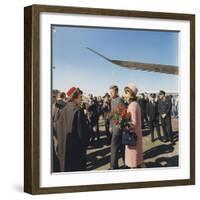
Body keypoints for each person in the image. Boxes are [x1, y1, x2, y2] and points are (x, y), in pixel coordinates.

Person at [56, 87, 89, 172]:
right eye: (80, 97)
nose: (81, 99)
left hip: (64, 148)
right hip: (76, 151)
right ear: (75, 97)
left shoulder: (62, 110)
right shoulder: (78, 111)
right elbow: (82, 134)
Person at [123, 84, 143, 168]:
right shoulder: (136, 104)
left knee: (133, 164)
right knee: (139, 162)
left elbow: (133, 124)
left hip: (132, 137)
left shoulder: (132, 105)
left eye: (126, 93)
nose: (125, 95)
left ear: (131, 94)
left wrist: (123, 124)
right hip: (136, 135)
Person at [109, 85, 125, 169]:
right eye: (109, 92)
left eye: (111, 92)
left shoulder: (120, 100)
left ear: (116, 92)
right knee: (121, 147)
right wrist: (111, 126)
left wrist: (119, 125)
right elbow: (112, 114)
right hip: (114, 126)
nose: (110, 93)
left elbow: (123, 114)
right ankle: (127, 162)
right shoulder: (112, 100)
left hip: (118, 128)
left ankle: (113, 167)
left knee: (114, 147)